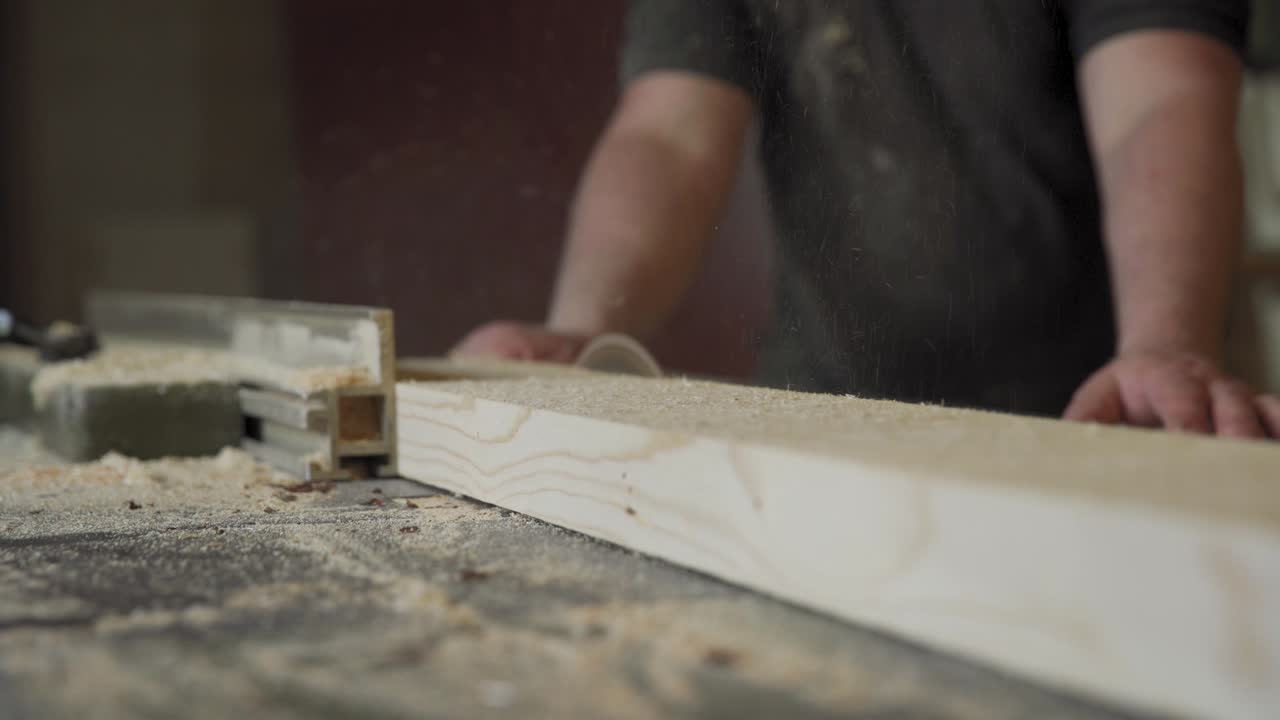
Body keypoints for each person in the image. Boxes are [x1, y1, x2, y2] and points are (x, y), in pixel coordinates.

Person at [456, 1, 1280, 439]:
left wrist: (1165, 343)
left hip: (1100, 404)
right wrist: (581, 329)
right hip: (831, 406)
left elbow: (1159, 99)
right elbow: (667, 134)